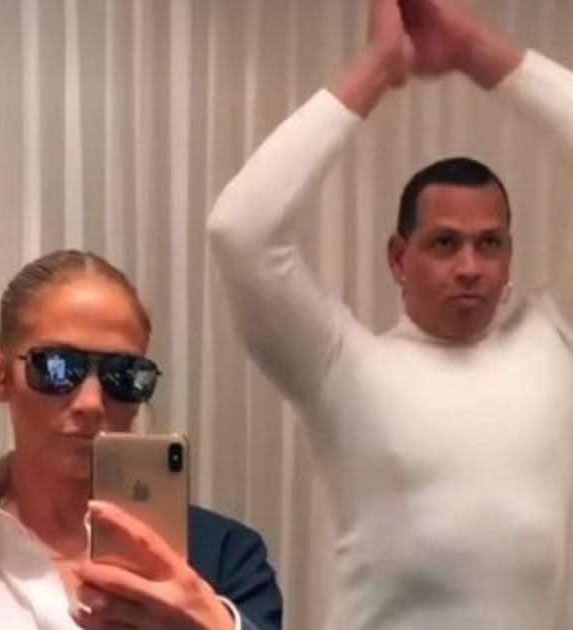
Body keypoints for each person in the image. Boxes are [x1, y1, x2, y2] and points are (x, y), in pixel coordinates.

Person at [207, 0, 573, 627]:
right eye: (444, 243)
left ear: (509, 255)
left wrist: (482, 53)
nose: (470, 266)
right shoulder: (341, 365)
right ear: (399, 258)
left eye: (489, 243)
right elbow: (239, 230)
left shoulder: (551, 337)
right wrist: (376, 69)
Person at [0, 250, 282, 630]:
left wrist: (212, 625)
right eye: (58, 367)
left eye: (122, 375)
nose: (91, 403)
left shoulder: (227, 556)